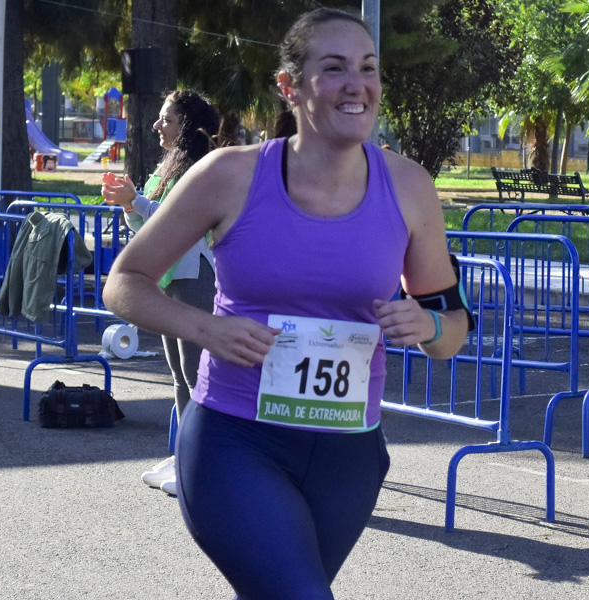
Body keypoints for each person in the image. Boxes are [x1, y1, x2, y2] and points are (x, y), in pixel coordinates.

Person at [102, 8, 470, 598]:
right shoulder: (230, 175)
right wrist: (205, 329)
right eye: (334, 68)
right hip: (236, 441)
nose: (357, 84)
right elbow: (124, 281)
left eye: (368, 68)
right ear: (289, 87)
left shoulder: (409, 187)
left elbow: (454, 330)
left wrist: (427, 324)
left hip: (348, 457)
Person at [101, 89, 220, 495]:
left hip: (195, 276)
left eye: (167, 118)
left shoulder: (200, 169)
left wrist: (136, 202)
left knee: (196, 372)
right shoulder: (169, 166)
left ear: (187, 125)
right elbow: (151, 228)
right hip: (170, 277)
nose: (156, 126)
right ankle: (187, 454)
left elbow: (179, 224)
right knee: (179, 374)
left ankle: (204, 462)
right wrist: (130, 204)